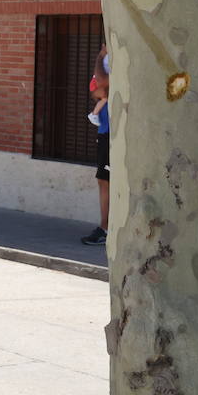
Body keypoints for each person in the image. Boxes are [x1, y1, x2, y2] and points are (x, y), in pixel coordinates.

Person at [81, 45, 111, 246]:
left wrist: (100, 55)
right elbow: (96, 91)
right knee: (103, 180)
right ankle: (105, 227)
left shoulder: (115, 56)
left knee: (109, 181)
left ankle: (108, 228)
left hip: (113, 134)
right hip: (104, 133)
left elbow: (101, 84)